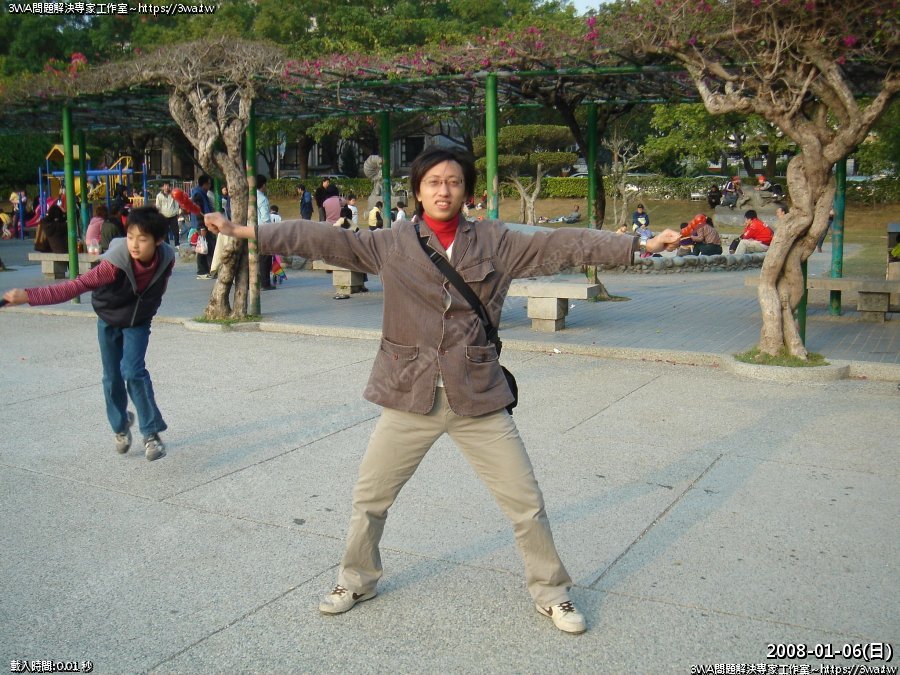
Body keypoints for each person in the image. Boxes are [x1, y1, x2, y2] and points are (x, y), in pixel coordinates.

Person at [203, 146, 680, 635]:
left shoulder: (496, 241)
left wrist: (639, 245)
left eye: (453, 182)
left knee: (525, 502)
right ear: (418, 190)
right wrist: (246, 232)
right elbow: (321, 238)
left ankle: (552, 591)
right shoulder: (392, 243)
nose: (443, 190)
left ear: (466, 190)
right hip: (409, 393)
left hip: (477, 395)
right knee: (370, 498)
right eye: (433, 182)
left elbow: (564, 243)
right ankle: (356, 580)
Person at [2, 206, 175, 461]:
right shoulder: (113, 264)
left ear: (158, 241)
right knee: (112, 376)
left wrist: (148, 309)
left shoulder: (167, 258)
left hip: (138, 321)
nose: (134, 244)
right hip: (109, 318)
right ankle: (120, 426)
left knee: (133, 371)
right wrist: (28, 296)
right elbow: (76, 286)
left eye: (142, 239)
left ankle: (151, 434)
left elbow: (157, 287)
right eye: (130, 237)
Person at [191, 175, 215, 279]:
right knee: (202, 247)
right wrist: (202, 227)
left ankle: (208, 269)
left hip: (206, 223)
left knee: (207, 246)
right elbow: (198, 212)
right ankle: (201, 271)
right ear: (204, 184)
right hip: (202, 224)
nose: (209, 185)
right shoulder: (198, 194)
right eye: (208, 183)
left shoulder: (202, 193)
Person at [256, 175, 276, 291]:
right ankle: (265, 283)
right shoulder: (262, 198)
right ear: (263, 185)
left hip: (249, 229)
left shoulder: (250, 196)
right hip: (262, 230)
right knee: (265, 257)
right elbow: (265, 218)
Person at [155, 181, 180, 246]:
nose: (166, 187)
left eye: (168, 186)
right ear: (163, 187)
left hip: (173, 215)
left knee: (176, 231)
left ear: (170, 187)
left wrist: (177, 212)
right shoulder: (159, 196)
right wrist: (159, 214)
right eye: (165, 186)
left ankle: (177, 244)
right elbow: (158, 205)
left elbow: (176, 204)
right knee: (165, 232)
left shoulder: (173, 194)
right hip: (164, 216)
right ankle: (167, 245)